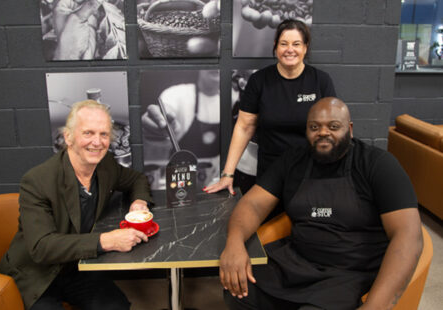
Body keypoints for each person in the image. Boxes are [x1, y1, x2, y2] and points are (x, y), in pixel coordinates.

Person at [219, 97, 423, 310]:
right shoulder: (293, 160)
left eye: (333, 126)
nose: (323, 132)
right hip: (298, 261)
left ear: (350, 129)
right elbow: (253, 204)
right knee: (238, 291)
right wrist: (235, 243)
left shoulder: (378, 165)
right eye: (314, 127)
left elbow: (408, 236)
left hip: (350, 272)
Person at [0, 100, 153, 310]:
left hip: (79, 268)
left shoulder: (105, 165)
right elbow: (41, 247)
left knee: (116, 307)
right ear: (68, 137)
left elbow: (137, 180)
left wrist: (139, 202)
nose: (97, 142)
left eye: (104, 134)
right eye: (88, 133)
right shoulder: (36, 181)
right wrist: (105, 240)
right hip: (37, 274)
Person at [205, 19, 337, 210]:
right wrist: (227, 174)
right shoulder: (259, 81)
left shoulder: (321, 81)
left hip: (311, 172)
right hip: (270, 175)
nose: (289, 49)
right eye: (283, 44)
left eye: (296, 44)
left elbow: (333, 131)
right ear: (275, 47)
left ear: (306, 48)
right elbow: (244, 127)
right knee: (267, 231)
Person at [141, 70, 220, 189]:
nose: (217, 67)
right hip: (178, 176)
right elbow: (166, 109)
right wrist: (162, 119)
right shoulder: (178, 93)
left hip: (214, 180)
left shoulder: (233, 98)